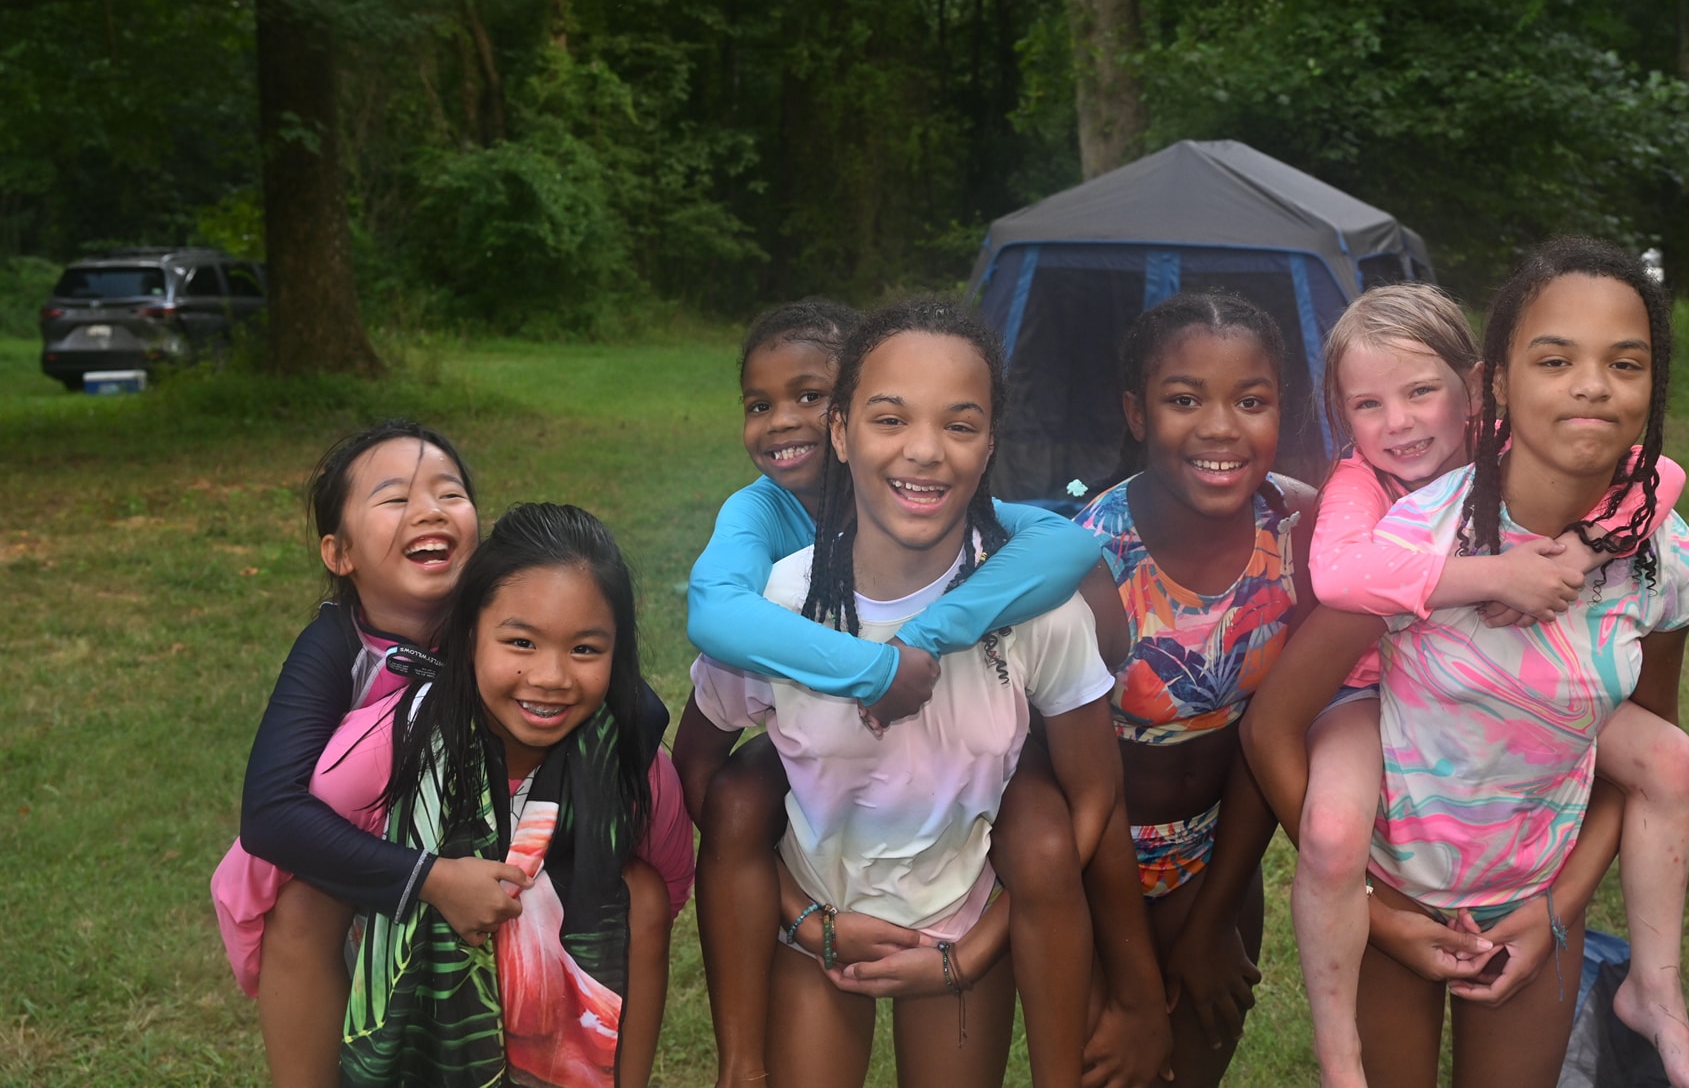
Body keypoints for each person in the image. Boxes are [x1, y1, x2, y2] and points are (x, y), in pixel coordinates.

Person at [683, 301, 1168, 1088]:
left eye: (960, 424)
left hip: (962, 924)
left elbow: (1091, 800)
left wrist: (973, 950)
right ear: (840, 433)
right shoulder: (776, 602)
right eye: (889, 418)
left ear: (990, 445)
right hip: (820, 917)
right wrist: (803, 919)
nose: (925, 451)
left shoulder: (1035, 606)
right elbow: (701, 774)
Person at [1239, 282, 1689, 1088]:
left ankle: (1655, 983)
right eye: (1369, 404)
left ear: (1477, 386)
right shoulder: (1369, 488)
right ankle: (1339, 1058)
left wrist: (1583, 550)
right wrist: (1496, 575)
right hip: (1369, 696)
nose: (1402, 422)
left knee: (1670, 757)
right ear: (1343, 418)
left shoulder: (1521, 461)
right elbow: (1344, 573)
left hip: (1526, 815)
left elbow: (1661, 471)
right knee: (1334, 833)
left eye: (1422, 391)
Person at [210, 424, 678, 1088]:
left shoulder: (511, 609)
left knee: (632, 891)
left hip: (512, 827)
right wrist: (428, 876)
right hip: (363, 846)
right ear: (338, 551)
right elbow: (270, 815)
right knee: (306, 906)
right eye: (395, 498)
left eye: (448, 491)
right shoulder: (332, 647)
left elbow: (633, 707)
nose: (429, 510)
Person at [1073, 289, 1377, 1088]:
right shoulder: (1089, 561)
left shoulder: (1302, 535)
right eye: (1184, 399)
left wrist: (1211, 919)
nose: (1219, 426)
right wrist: (1136, 989)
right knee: (1110, 1062)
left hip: (1220, 859)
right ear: (1137, 412)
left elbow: (1273, 727)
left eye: (1251, 400)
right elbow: (1077, 776)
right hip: (1088, 864)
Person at [330, 502, 693, 1086]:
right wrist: (432, 884)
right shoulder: (391, 743)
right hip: (399, 960)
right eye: (521, 643)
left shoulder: (632, 764)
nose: (551, 677)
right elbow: (295, 848)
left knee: (641, 893)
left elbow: (670, 887)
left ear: (617, 653)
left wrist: (551, 922)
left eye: (584, 650)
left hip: (557, 984)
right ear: (470, 632)